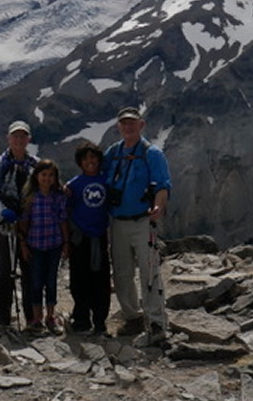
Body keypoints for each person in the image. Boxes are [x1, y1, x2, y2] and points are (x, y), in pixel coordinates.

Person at [104, 107, 172, 347]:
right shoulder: (112, 153)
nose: (128, 126)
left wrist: (158, 207)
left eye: (132, 122)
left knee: (149, 272)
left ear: (141, 125)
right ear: (118, 126)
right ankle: (132, 317)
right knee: (122, 274)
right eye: (124, 123)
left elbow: (162, 184)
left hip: (143, 221)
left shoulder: (152, 153)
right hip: (118, 223)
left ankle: (156, 325)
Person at [0, 120, 38, 332]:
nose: (19, 140)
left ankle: (32, 318)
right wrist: (1, 210)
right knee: (5, 270)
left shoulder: (35, 163)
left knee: (29, 271)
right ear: (9, 138)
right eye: (15, 136)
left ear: (28, 139)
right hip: (5, 224)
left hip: (29, 226)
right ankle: (1, 318)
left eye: (23, 136)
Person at [65, 141, 111, 336]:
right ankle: (82, 318)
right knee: (79, 279)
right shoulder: (74, 185)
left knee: (100, 280)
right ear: (80, 163)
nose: (90, 161)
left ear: (99, 160)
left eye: (93, 157)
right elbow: (66, 211)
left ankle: (100, 320)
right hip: (79, 237)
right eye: (85, 159)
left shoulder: (107, 181)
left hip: (100, 236)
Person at [18, 159, 69, 334]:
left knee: (52, 281)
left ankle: (50, 317)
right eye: (44, 175)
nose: (47, 179)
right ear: (37, 176)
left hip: (54, 244)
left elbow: (63, 220)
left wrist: (66, 242)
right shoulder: (30, 197)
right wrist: (23, 244)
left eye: (51, 175)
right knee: (36, 282)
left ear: (55, 178)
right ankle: (37, 319)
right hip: (35, 244)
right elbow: (24, 222)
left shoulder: (59, 196)